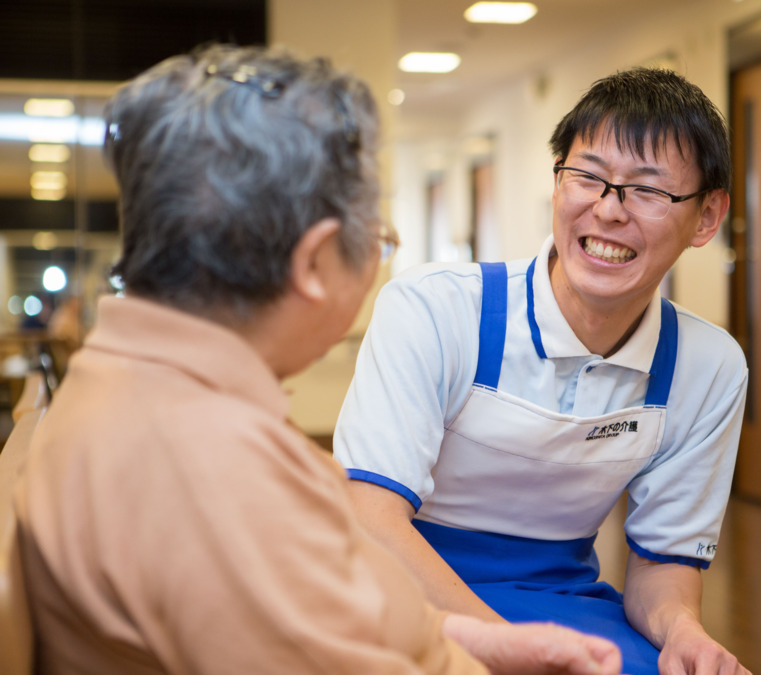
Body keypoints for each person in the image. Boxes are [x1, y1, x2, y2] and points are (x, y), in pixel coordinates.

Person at [13, 44, 622, 675]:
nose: (377, 256)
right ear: (314, 262)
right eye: (378, 238)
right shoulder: (211, 471)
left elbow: (332, 615)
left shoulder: (133, 387)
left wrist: (487, 644)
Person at [334, 67, 750, 675]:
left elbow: (664, 567)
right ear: (558, 182)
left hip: (560, 601)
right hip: (399, 587)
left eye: (649, 190)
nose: (608, 211)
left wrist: (683, 631)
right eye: (588, 176)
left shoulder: (707, 366)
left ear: (708, 217)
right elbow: (370, 520)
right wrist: (505, 649)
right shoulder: (436, 308)